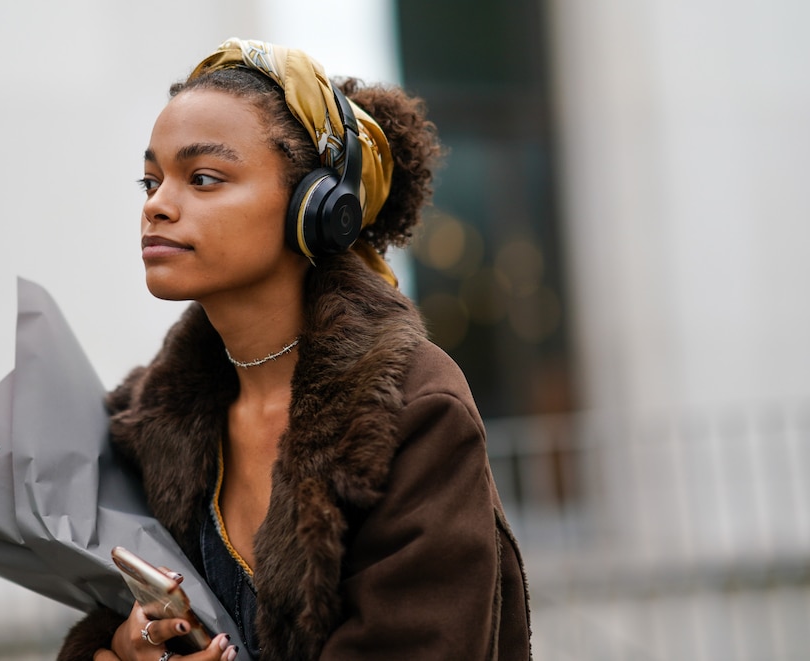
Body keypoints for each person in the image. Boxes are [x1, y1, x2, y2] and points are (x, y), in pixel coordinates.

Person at [57, 38, 531, 661]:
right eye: (151, 179)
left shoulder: (414, 407)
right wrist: (121, 646)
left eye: (203, 179)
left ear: (314, 209)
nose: (157, 206)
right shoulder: (143, 420)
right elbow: (108, 614)